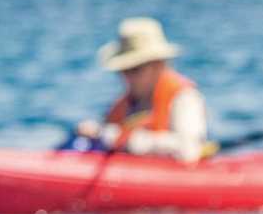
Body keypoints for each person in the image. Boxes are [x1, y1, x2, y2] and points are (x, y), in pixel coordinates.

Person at [60, 17, 210, 162]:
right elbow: (109, 134)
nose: (127, 77)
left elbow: (189, 151)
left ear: (158, 65)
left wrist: (126, 140)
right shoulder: (126, 103)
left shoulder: (184, 98)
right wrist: (96, 132)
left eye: (135, 69)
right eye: (123, 70)